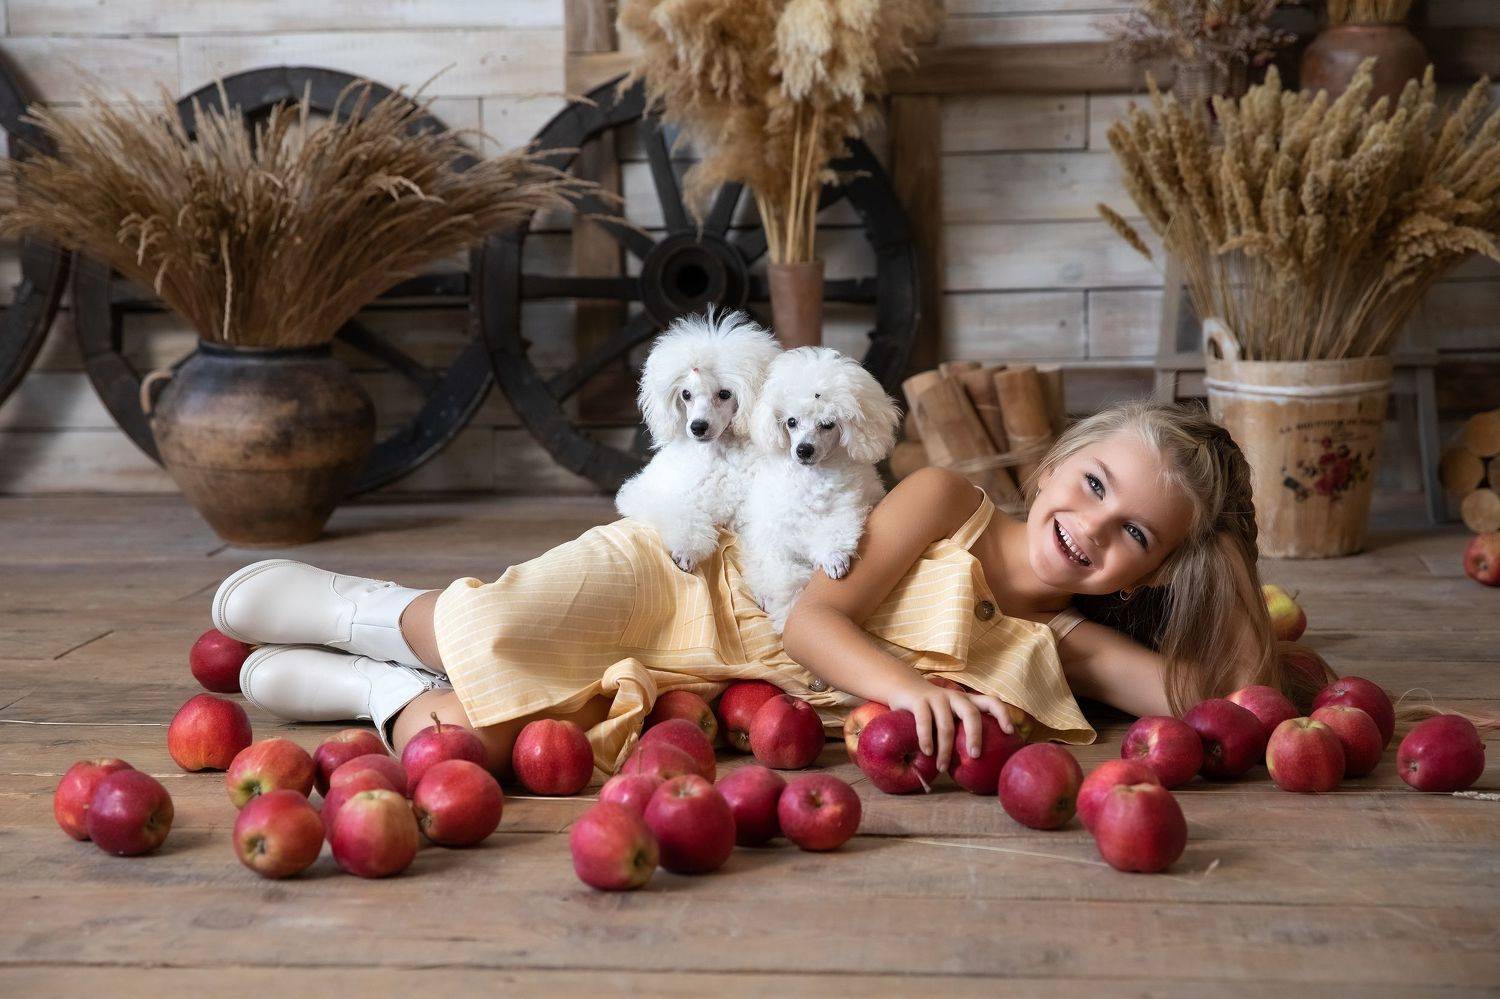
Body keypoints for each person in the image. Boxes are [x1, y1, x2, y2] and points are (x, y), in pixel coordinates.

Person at [214, 399, 1302, 778]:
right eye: (1095, 483)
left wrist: (1229, 561)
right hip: (688, 581)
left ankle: (376, 692)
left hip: (714, 692)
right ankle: (370, 614)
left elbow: (1222, 699)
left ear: (1159, 568)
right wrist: (907, 691)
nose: (1092, 527)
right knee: (499, 626)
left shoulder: (1060, 644)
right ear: (1059, 459)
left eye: (1135, 535)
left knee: (475, 747)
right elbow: (812, 618)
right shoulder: (947, 502)